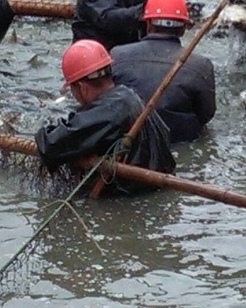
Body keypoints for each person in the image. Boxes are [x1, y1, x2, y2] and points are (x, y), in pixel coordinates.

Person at [35, 40, 175, 194]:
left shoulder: (108, 112)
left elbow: (50, 144)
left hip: (127, 196)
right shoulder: (129, 96)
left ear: (81, 87)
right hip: (154, 190)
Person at [111, 0, 216, 144]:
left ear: (148, 25)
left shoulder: (117, 55)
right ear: (183, 29)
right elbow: (206, 114)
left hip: (127, 141)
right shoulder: (200, 65)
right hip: (179, 141)